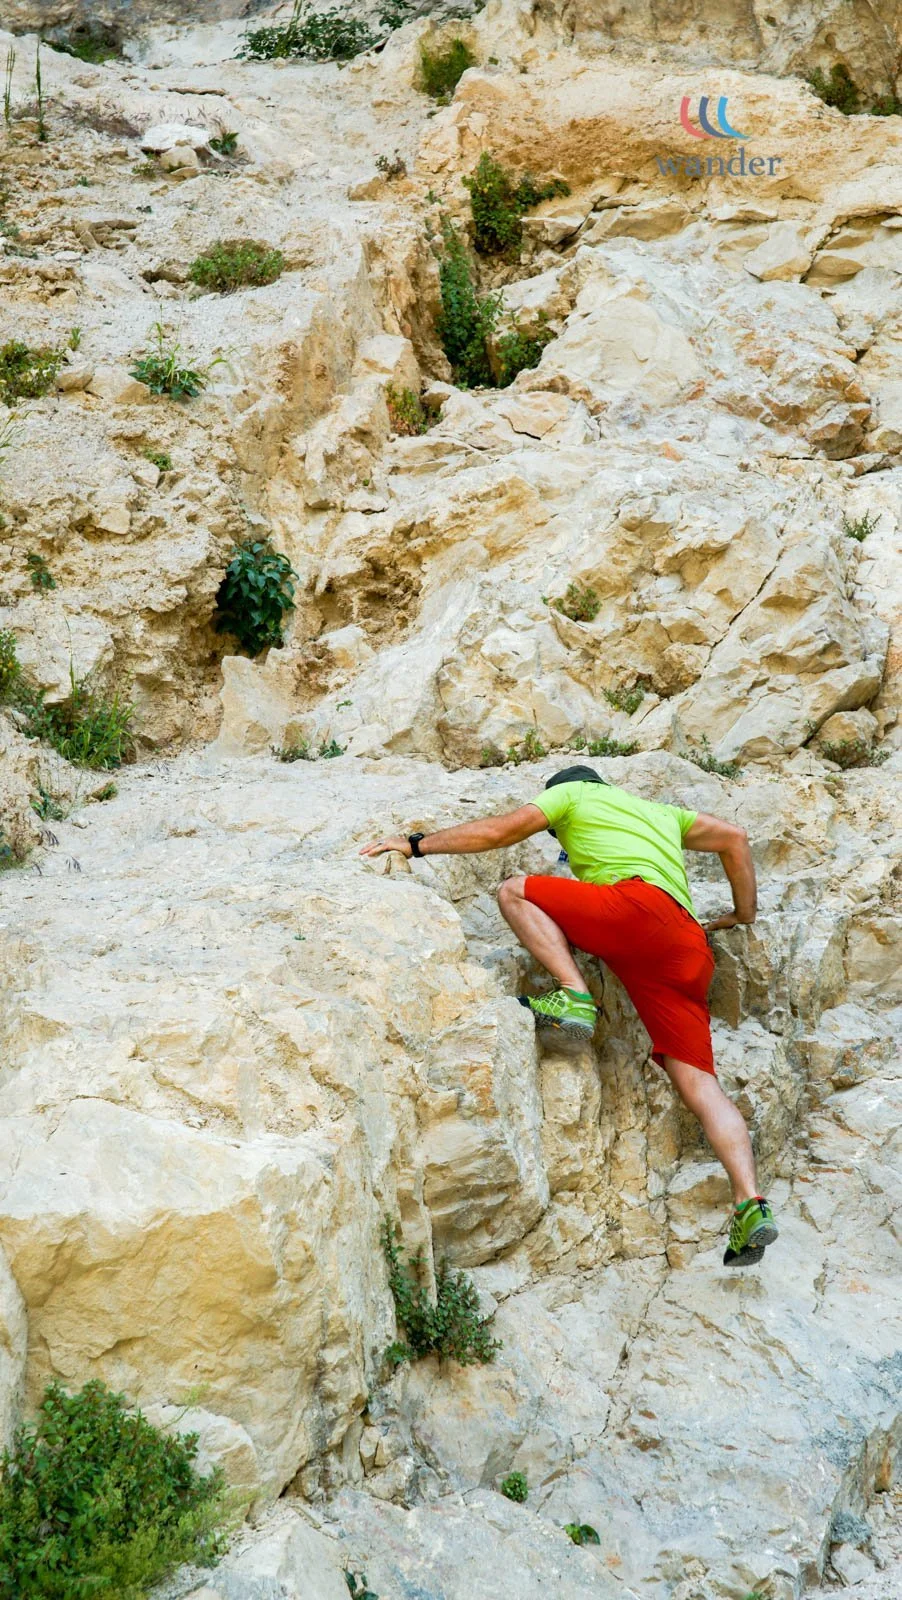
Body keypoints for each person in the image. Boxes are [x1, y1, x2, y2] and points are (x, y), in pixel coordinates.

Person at [360, 764, 778, 1268]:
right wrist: (743, 913)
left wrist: (417, 844)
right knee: (700, 1084)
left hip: (633, 911)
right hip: (688, 947)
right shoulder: (661, 812)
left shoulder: (572, 794)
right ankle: (750, 1203)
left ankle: (572, 996)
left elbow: (499, 831)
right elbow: (735, 837)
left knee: (514, 888)